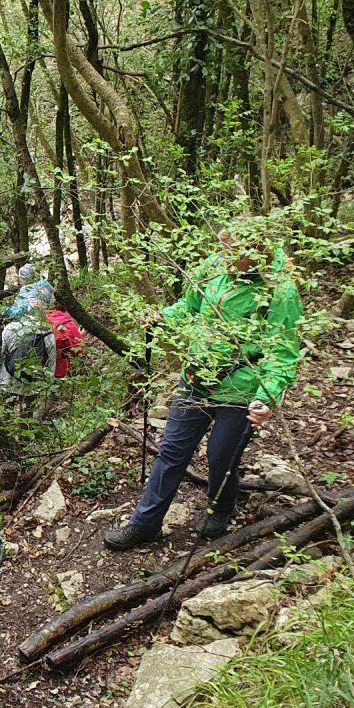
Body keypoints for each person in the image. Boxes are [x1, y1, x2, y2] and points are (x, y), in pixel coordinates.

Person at [104, 225, 303, 550]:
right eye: (221, 250)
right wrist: (162, 317)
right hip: (196, 378)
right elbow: (189, 305)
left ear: (254, 256)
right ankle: (145, 525)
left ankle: (222, 506)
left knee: (220, 457)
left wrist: (264, 396)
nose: (221, 259)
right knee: (172, 452)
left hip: (239, 389)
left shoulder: (279, 292)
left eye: (230, 255)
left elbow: (283, 352)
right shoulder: (214, 267)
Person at [0, 281, 57, 391]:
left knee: (5, 404)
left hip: (7, 380)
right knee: (28, 407)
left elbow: (0, 355)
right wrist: (47, 386)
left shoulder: (11, 328)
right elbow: (51, 363)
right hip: (32, 384)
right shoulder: (48, 333)